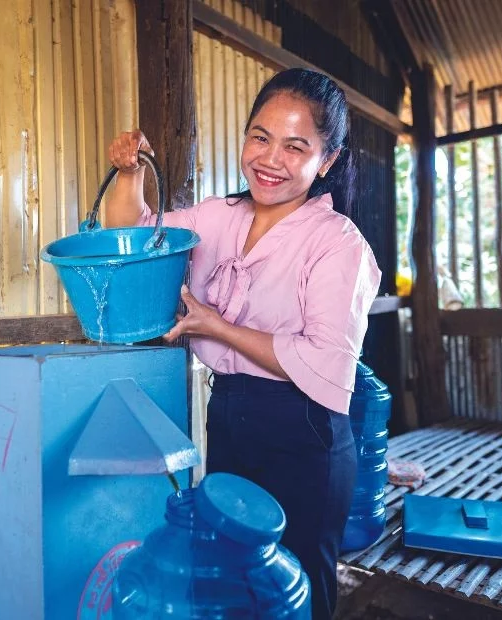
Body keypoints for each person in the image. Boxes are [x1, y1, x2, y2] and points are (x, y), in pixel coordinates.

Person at [104, 68, 382, 618]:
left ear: (325, 162)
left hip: (304, 432)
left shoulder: (337, 242)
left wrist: (216, 326)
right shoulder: (218, 216)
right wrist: (129, 173)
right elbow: (132, 238)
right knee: (236, 581)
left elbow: (327, 363)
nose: (270, 159)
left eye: (294, 146)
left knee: (298, 586)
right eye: (260, 136)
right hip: (230, 414)